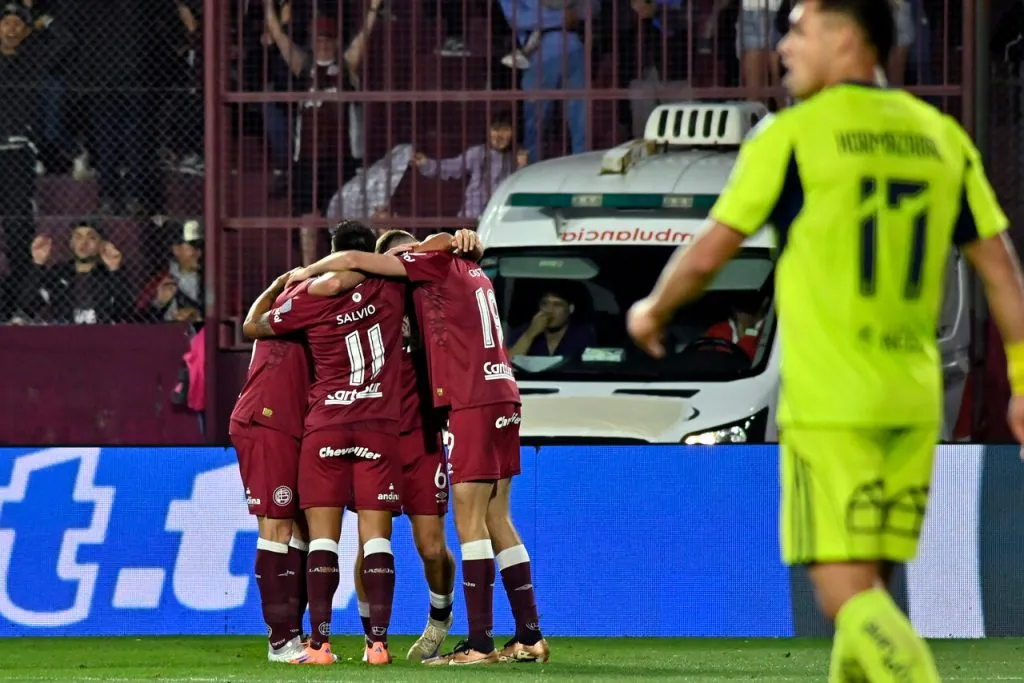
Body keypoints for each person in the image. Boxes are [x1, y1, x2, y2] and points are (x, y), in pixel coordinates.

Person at [626, 0, 1024, 680]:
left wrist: (652, 309)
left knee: (841, 592)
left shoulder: (793, 135)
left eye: (799, 31)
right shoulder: (939, 136)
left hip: (830, 402)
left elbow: (710, 249)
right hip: (912, 402)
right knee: (872, 584)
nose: (783, 47)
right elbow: (1000, 271)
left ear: (846, 38)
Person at [289, 230, 549, 666]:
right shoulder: (461, 273)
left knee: (463, 529)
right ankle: (528, 634)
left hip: (465, 404)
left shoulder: (427, 267)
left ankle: (479, 643)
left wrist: (306, 272)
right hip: (498, 393)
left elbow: (418, 246)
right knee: (493, 517)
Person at [243, 221, 405, 666]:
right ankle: (357, 645)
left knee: (314, 536)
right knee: (360, 537)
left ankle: (316, 642)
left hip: (320, 424)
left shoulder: (309, 294)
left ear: (332, 251)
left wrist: (288, 280)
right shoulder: (392, 288)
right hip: (335, 422)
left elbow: (252, 326)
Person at [351, 229, 465, 663]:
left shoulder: (432, 302)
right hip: (373, 437)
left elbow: (447, 247)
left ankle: (440, 619)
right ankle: (372, 638)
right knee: (371, 545)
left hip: (422, 437)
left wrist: (456, 240)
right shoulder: (362, 304)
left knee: (432, 547)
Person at [229, 273, 313, 664]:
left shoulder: (303, 311)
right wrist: (280, 284)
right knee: (276, 526)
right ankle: (280, 641)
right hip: (266, 423)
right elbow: (251, 324)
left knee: (301, 528)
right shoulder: (294, 310)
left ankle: (294, 633)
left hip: (292, 427)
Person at [507, 287, 596, 358]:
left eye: (557, 305)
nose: (549, 310)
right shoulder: (522, 331)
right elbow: (505, 366)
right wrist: (530, 334)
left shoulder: (583, 334)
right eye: (545, 304)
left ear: (571, 309)